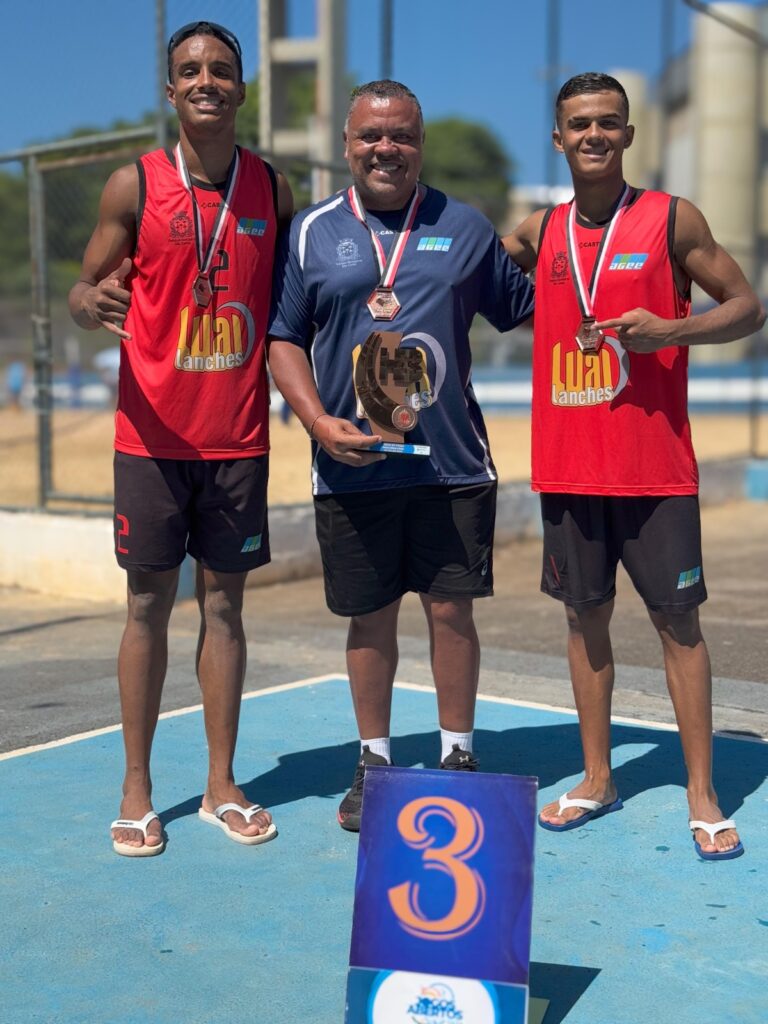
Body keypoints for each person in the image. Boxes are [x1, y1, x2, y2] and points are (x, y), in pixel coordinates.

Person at [503, 72, 764, 860]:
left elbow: (749, 304)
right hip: (569, 469)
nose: (594, 135)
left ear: (627, 134)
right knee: (584, 622)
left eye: (608, 123)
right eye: (579, 124)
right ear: (558, 137)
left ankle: (703, 792)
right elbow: (464, 275)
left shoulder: (670, 218)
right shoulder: (536, 232)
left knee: (677, 624)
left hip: (655, 471)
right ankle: (596, 778)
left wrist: (672, 332)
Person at [268, 80, 533, 831]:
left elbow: (522, 306)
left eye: (403, 136)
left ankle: (457, 755)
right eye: (371, 136)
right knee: (370, 617)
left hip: (451, 463)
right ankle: (375, 761)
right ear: (348, 143)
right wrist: (318, 421)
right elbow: (282, 336)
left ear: (420, 144)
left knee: (451, 612)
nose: (387, 148)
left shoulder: (466, 226)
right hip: (352, 464)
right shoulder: (313, 230)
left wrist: (557, 233)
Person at [68, 21, 293, 856]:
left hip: (236, 439)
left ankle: (221, 783)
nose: (207, 81)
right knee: (146, 608)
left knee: (226, 609)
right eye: (190, 70)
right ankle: (137, 785)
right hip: (151, 439)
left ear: (242, 88)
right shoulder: (134, 186)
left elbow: (293, 309)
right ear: (171, 90)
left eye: (222, 70)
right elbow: (85, 287)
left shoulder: (272, 188)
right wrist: (87, 302)